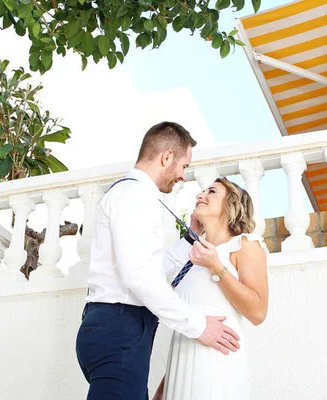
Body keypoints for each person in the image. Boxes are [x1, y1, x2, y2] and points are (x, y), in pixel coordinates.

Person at [75, 122, 241, 400]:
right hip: (120, 329)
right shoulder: (136, 196)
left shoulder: (133, 195)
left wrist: (190, 239)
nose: (182, 177)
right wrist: (199, 326)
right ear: (166, 158)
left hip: (113, 328)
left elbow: (149, 267)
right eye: (184, 166)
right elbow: (139, 276)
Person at [153, 177, 269, 400]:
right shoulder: (191, 257)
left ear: (231, 204)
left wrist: (216, 266)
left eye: (211, 192)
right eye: (201, 192)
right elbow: (191, 322)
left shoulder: (244, 245)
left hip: (217, 368)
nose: (200, 196)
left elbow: (258, 312)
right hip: (180, 369)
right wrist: (162, 389)